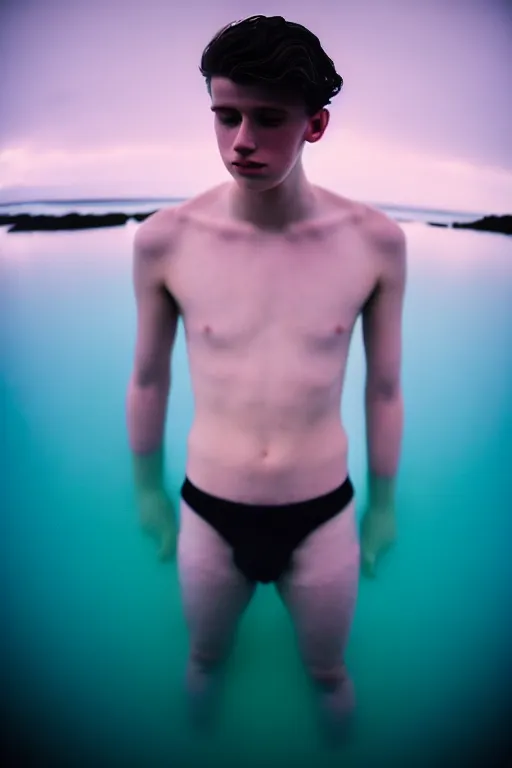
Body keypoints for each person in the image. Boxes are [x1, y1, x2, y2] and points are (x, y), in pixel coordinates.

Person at [126, 15, 406, 741]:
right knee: (204, 659)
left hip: (323, 509)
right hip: (210, 505)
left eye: (267, 118)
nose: (241, 140)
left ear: (315, 124)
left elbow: (384, 387)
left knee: (329, 674)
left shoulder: (374, 242)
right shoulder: (166, 240)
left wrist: (382, 506)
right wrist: (147, 494)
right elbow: (149, 378)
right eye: (225, 116)